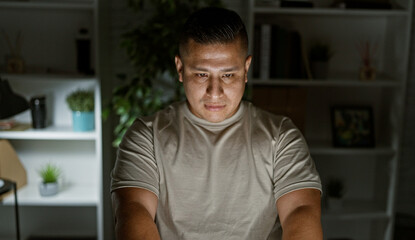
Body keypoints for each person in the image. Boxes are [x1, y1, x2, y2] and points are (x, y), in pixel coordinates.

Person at [111, 7, 322, 240]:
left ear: (246, 69)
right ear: (180, 68)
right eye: (201, 75)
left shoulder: (281, 137)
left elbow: (300, 211)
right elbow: (133, 212)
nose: (214, 92)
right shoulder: (146, 137)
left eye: (228, 75)